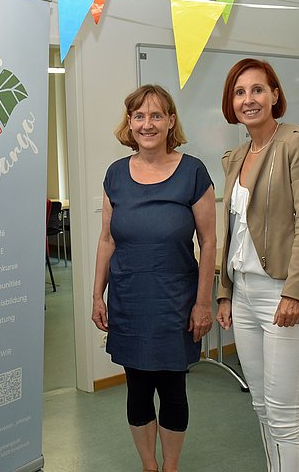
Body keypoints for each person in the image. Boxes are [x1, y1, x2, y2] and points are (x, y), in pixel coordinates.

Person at [92, 84, 216, 472]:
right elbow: (107, 239)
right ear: (130, 123)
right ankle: (149, 465)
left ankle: (171, 466)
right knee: (138, 389)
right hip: (129, 301)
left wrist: (202, 302)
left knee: (173, 389)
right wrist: (98, 294)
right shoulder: (115, 175)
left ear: (171, 121)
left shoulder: (193, 172)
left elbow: (209, 243)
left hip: (176, 302)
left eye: (157, 115)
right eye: (140, 116)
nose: (148, 124)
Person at [215, 58, 299, 472]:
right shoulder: (235, 155)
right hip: (243, 295)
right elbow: (232, 231)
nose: (249, 99)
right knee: (262, 409)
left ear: (275, 95)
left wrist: (295, 291)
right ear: (231, 103)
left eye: (258, 89)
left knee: (283, 417)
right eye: (240, 92)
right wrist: (225, 293)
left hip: (283, 293)